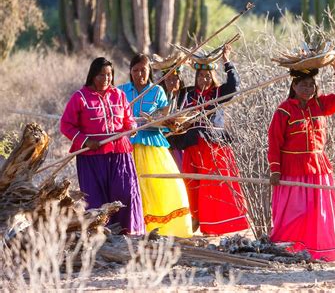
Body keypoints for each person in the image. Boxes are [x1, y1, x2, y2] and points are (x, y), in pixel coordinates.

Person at [267, 52, 335, 261]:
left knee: (320, 212)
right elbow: (274, 142)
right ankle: (289, 249)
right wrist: (275, 170)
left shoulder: (320, 106)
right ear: (294, 87)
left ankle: (322, 250)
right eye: (303, 85)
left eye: (311, 85)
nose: (308, 89)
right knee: (295, 213)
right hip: (292, 171)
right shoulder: (284, 111)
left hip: (318, 169)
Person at [60, 57, 145, 235]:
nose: (106, 79)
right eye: (101, 75)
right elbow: (66, 125)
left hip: (119, 153)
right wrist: (85, 141)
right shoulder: (80, 97)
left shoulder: (119, 95)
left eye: (109, 75)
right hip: (92, 156)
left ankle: (127, 233)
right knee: (97, 198)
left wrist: (131, 128)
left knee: (125, 193)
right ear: (92, 76)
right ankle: (100, 235)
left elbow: (128, 120)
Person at [118, 53, 193, 237]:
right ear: (130, 71)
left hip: (152, 146)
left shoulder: (157, 92)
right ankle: (133, 225)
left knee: (160, 186)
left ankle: (164, 229)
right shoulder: (121, 91)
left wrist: (170, 123)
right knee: (131, 187)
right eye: (135, 70)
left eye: (143, 70)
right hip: (127, 146)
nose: (139, 74)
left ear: (149, 70)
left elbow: (165, 120)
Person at [178, 44, 249, 235]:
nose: (204, 79)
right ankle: (195, 219)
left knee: (212, 186)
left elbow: (234, 87)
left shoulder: (217, 93)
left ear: (212, 76)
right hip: (193, 145)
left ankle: (214, 226)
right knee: (192, 183)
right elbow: (176, 115)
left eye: (208, 76)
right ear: (196, 76)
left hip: (213, 145)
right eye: (201, 76)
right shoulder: (188, 94)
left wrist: (227, 61)